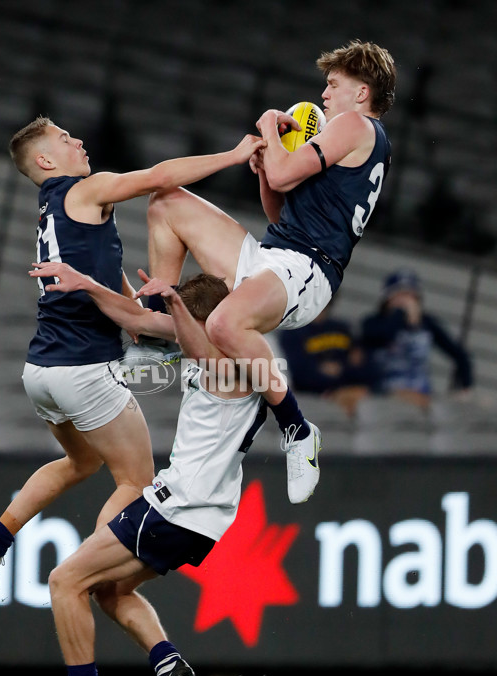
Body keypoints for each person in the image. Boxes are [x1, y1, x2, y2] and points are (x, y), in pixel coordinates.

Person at [0, 116, 265, 588]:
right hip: (83, 370)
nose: (78, 140)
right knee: (135, 481)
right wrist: (233, 155)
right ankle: (86, 578)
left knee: (82, 462)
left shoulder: (51, 209)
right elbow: (159, 179)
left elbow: (101, 276)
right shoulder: (87, 190)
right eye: (64, 139)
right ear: (46, 161)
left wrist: (137, 315)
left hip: (40, 371)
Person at [135, 40, 396, 504]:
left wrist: (269, 126)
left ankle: (298, 430)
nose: (325, 95)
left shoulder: (356, 124)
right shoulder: (346, 141)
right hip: (276, 255)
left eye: (334, 85)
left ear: (362, 93)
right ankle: (159, 333)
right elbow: (280, 213)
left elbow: (283, 177)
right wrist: (262, 167)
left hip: (307, 269)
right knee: (167, 202)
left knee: (222, 323)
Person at [28, 261, 267, 676]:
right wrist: (91, 281)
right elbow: (138, 319)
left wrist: (174, 303)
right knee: (110, 591)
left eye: (187, 323)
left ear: (208, 324)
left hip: (176, 506)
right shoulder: (229, 351)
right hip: (205, 518)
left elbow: (190, 343)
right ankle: (168, 665)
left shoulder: (229, 365)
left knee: (65, 581)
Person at [360, 268, 474, 408]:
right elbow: (381, 336)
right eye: (400, 295)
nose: (406, 301)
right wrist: (400, 315)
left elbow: (460, 355)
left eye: (411, 296)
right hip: (381, 393)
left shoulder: (427, 324)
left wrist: (466, 388)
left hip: (420, 394)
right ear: (387, 298)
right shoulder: (374, 322)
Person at [278, 303, 380, 416]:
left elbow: (367, 370)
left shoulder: (343, 328)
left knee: (365, 397)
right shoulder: (292, 333)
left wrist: (339, 369)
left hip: (352, 388)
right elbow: (301, 375)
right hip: (320, 392)